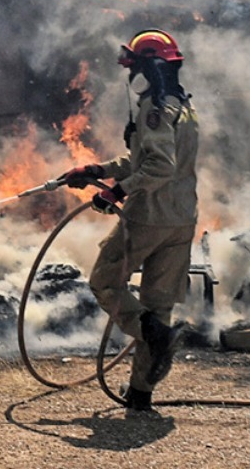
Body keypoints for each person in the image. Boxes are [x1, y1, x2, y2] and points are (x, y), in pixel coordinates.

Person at [58, 29, 199, 415]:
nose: (130, 75)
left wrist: (117, 192)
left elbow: (158, 167)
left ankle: (154, 337)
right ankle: (140, 396)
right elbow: (145, 160)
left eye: (134, 66)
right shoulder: (181, 106)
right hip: (182, 220)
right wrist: (96, 170)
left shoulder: (154, 108)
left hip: (149, 217)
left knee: (105, 281)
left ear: (150, 67)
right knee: (158, 304)